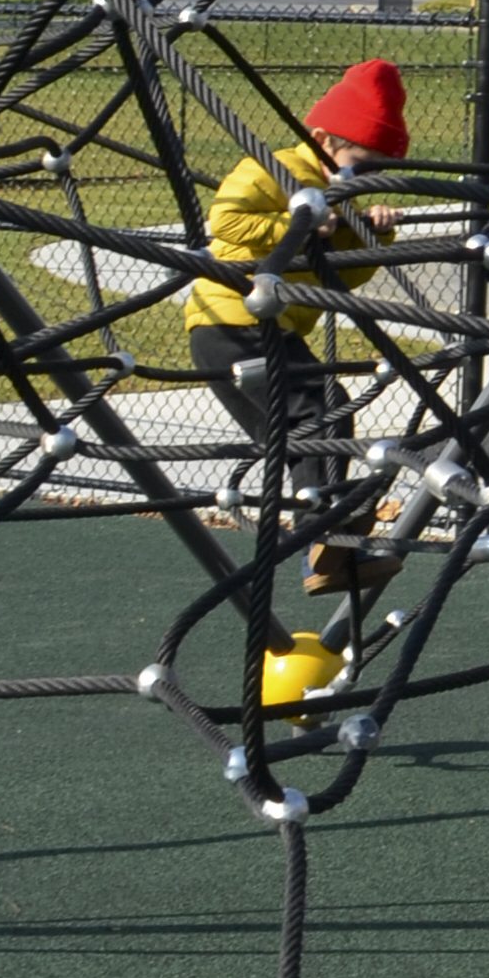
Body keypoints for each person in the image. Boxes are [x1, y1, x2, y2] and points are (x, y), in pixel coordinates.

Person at [186, 54, 411, 618]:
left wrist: (372, 236)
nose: (364, 177)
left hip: (272, 327)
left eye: (378, 170)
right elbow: (225, 223)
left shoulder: (340, 195)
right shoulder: (277, 167)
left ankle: (326, 544)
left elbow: (346, 277)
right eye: (362, 163)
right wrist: (300, 221)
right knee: (320, 409)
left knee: (316, 420)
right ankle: (320, 543)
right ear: (321, 140)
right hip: (229, 320)